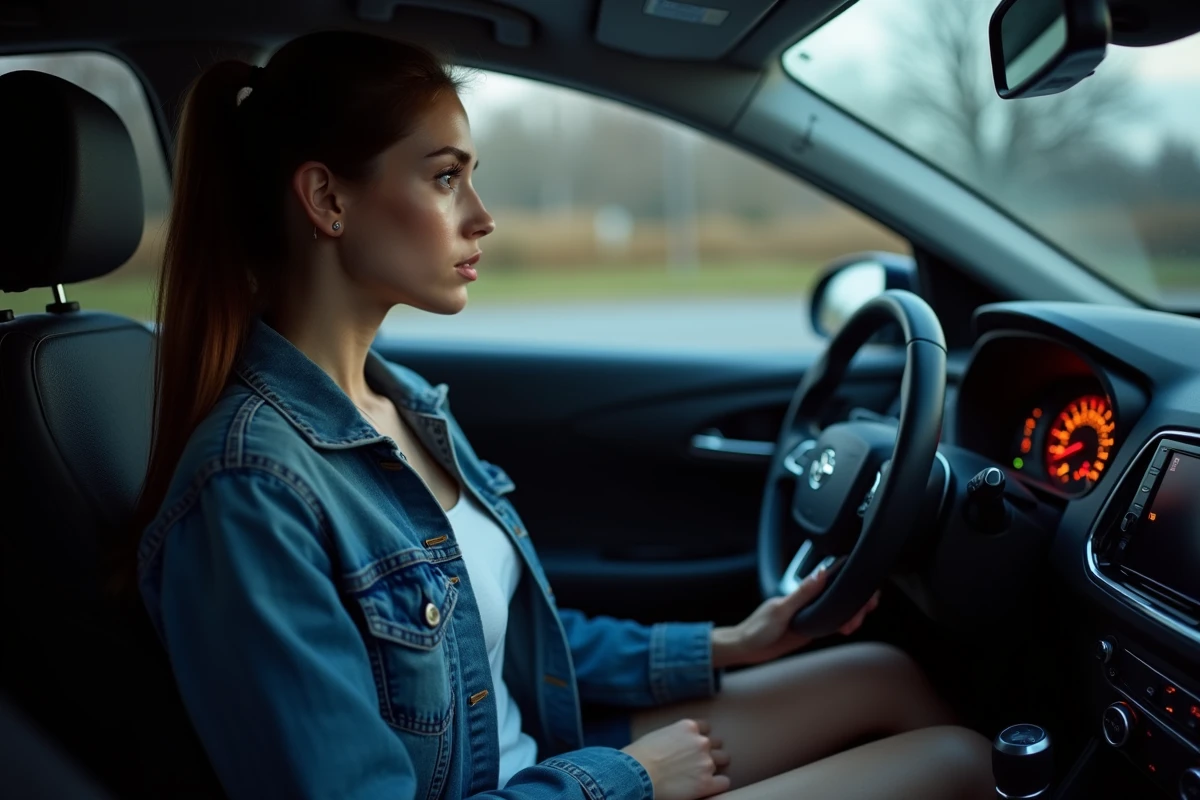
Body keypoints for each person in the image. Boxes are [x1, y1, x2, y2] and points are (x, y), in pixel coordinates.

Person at [129, 29, 994, 800]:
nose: (482, 217)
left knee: (883, 674)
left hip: (541, 757)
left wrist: (732, 642)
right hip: (561, 781)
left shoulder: (404, 405)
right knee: (959, 762)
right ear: (327, 200)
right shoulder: (250, 490)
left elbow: (504, 643)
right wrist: (628, 780)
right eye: (444, 178)